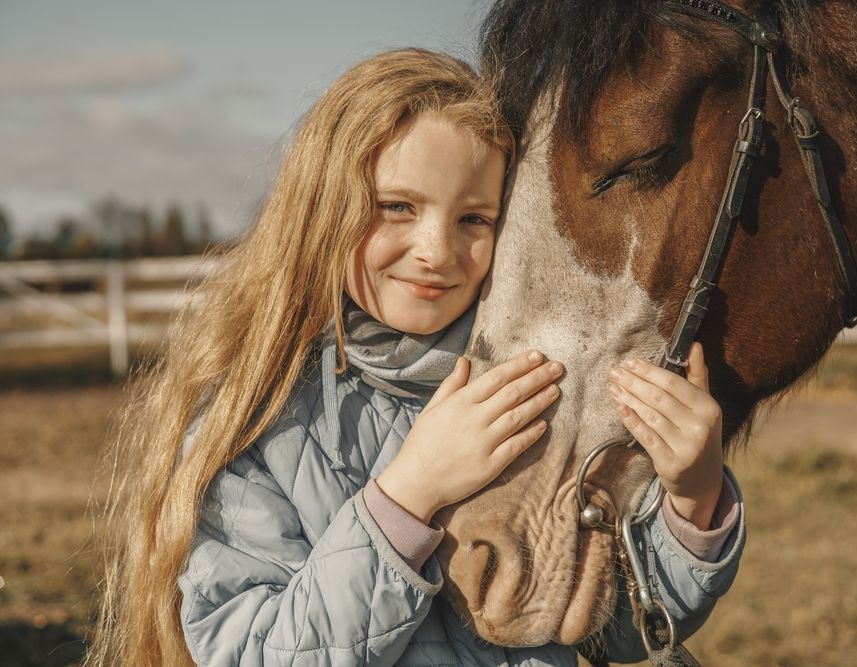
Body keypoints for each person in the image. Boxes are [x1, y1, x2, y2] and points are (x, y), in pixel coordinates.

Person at [87, 48, 745, 666]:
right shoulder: (257, 418)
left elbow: (615, 626)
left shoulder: (532, 391)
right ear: (323, 209)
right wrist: (409, 494)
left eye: (475, 219)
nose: (436, 249)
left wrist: (692, 503)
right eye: (396, 207)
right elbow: (253, 650)